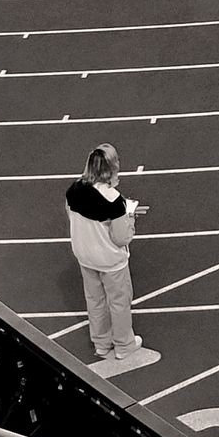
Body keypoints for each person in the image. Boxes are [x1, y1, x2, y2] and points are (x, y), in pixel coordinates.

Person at [68, 145, 152, 372]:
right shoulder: (114, 201)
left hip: (85, 255)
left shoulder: (74, 189)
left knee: (94, 300)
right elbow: (121, 237)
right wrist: (130, 215)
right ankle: (124, 344)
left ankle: (101, 343)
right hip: (110, 260)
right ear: (111, 169)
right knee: (119, 301)